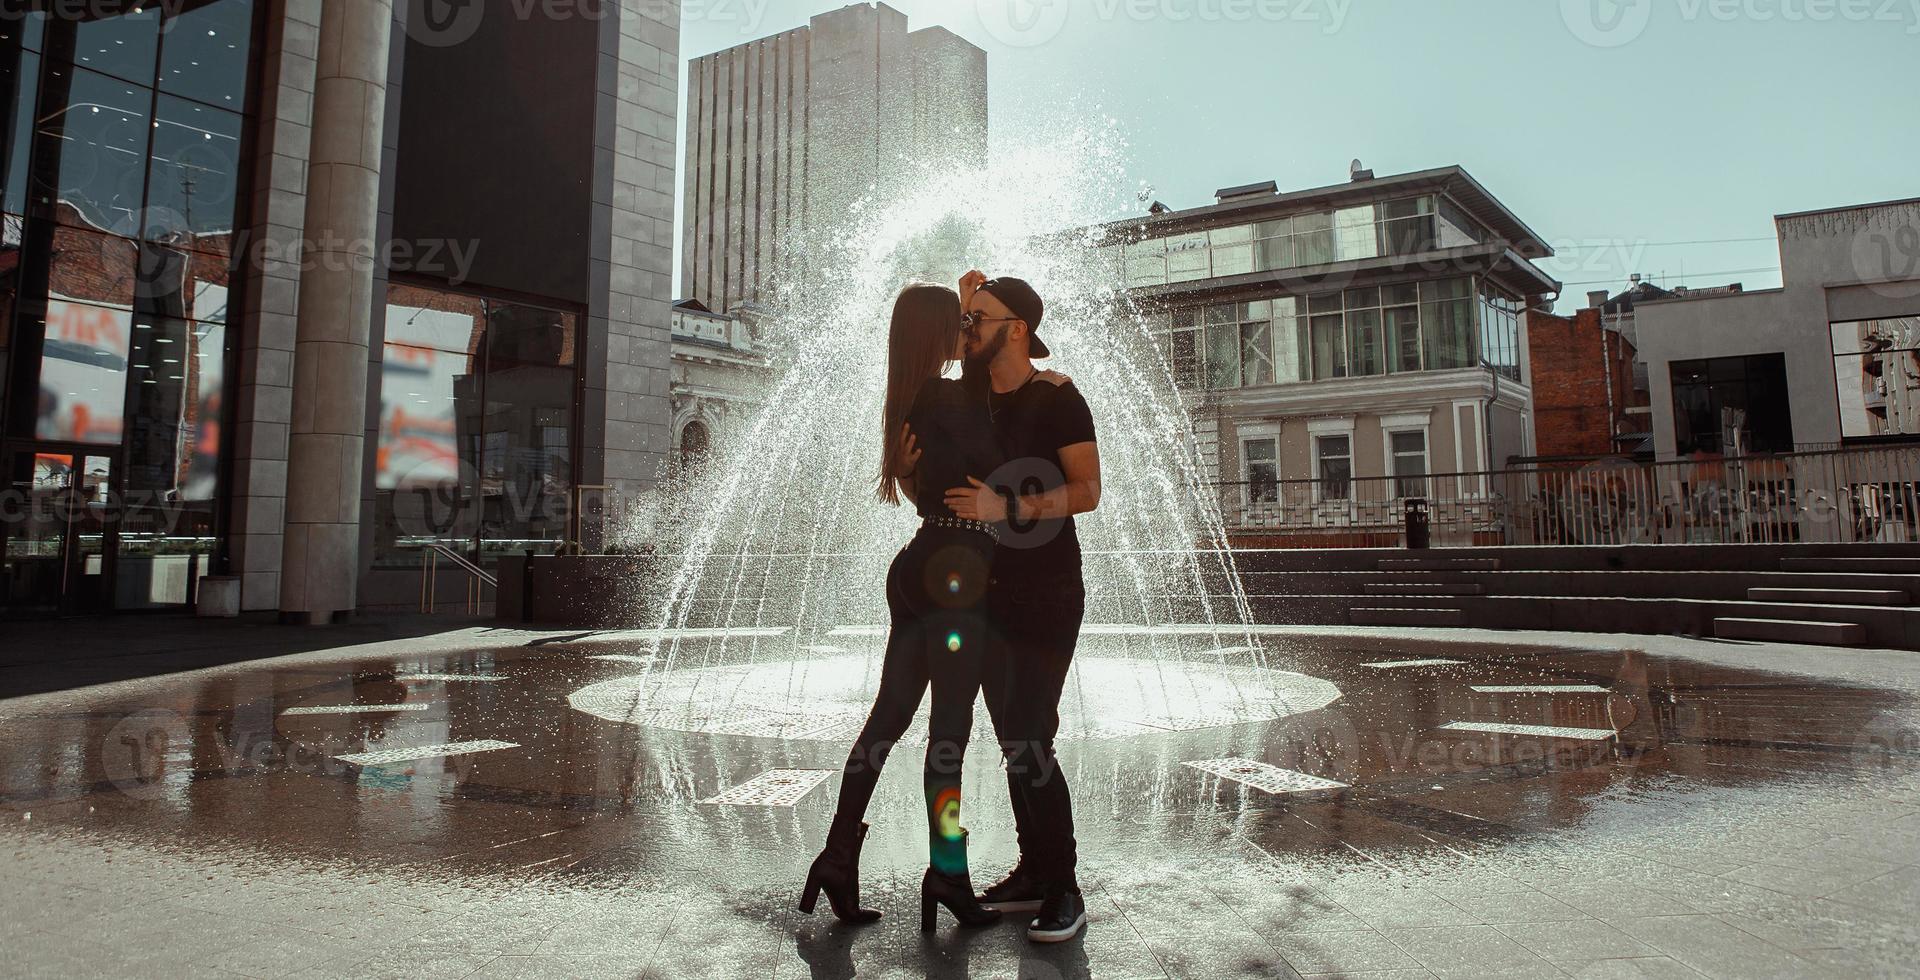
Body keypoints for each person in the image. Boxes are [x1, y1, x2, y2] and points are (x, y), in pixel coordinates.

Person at [798, 282, 1004, 932]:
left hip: (922, 568)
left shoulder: (911, 400)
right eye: (957, 322)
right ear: (935, 331)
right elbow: (992, 378)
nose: (965, 330)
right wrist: (984, 310)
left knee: (888, 721)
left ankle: (836, 856)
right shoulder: (949, 395)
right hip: (956, 577)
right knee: (948, 735)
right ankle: (948, 871)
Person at [943, 271, 1103, 944]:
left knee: (1032, 734)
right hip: (985, 596)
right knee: (1014, 738)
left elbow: (1088, 491)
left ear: (1016, 329)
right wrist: (969, 292)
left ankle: (1064, 886)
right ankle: (1033, 871)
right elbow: (956, 335)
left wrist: (1002, 508)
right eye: (965, 318)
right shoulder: (976, 397)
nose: (966, 328)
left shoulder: (1057, 398)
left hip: (1047, 593)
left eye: (978, 319)